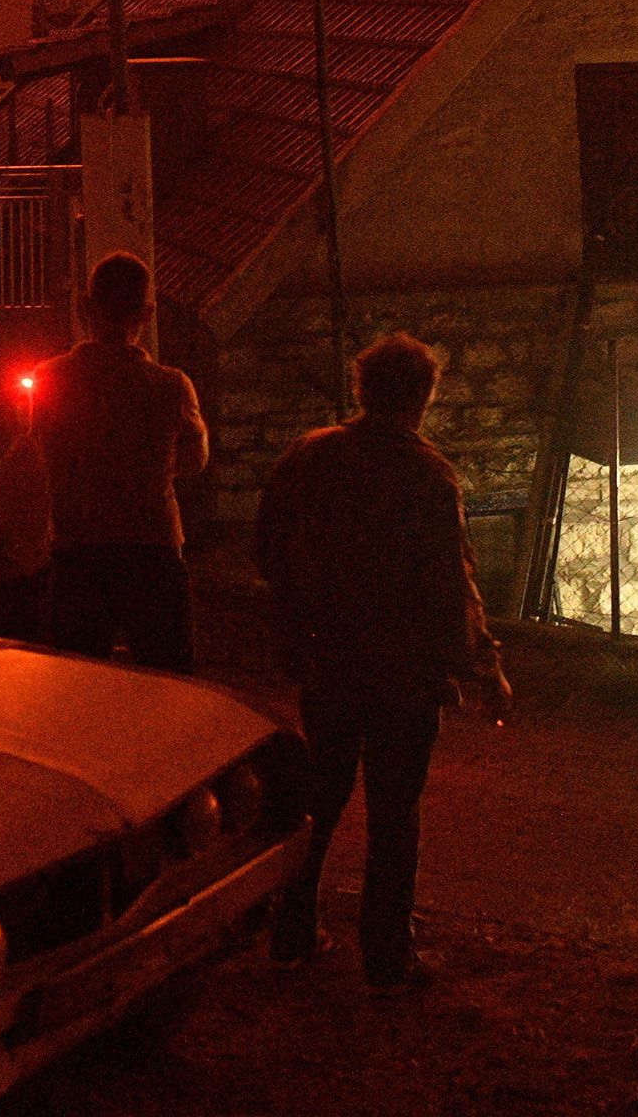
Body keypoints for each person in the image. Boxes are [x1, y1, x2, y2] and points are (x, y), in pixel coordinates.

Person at [255, 331, 510, 994]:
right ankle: (387, 957)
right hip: (402, 673)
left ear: (362, 389)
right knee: (395, 813)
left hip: (329, 660)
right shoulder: (428, 475)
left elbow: (267, 546)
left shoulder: (311, 458)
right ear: (424, 397)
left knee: (323, 797)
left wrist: (298, 618)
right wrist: (482, 666)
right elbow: (450, 583)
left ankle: (291, 933)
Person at [22, 251, 208, 673]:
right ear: (147, 313)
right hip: (153, 551)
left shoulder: (49, 379)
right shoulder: (171, 387)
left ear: (84, 307)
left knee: (82, 686)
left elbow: (38, 453)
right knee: (167, 687)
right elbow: (194, 462)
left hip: (78, 551)